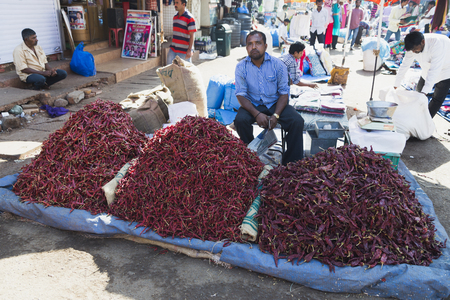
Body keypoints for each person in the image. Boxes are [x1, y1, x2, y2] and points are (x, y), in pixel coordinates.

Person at [234, 31, 304, 165]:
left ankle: (292, 164)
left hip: (275, 103)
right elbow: (241, 94)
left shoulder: (278, 65)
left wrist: (276, 115)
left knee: (297, 121)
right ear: (246, 48)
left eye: (258, 43)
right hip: (253, 104)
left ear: (265, 46)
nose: (254, 47)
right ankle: (250, 158)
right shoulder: (241, 67)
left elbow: (284, 93)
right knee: (240, 120)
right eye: (250, 44)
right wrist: (257, 114)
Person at [394, 32, 450, 118]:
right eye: (412, 50)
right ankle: (415, 117)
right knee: (417, 95)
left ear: (423, 42)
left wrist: (424, 92)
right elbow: (405, 64)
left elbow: (434, 70)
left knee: (437, 99)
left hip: (445, 70)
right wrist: (396, 84)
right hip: (426, 70)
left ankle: (426, 121)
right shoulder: (413, 45)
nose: (413, 52)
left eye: (415, 50)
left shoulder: (437, 44)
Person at [166, 0, 196, 65]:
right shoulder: (175, 17)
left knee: (184, 72)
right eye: (174, 3)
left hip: (184, 51)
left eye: (177, 3)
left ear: (183, 4)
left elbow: (192, 35)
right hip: (173, 49)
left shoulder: (190, 18)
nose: (175, 5)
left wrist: (190, 50)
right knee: (169, 69)